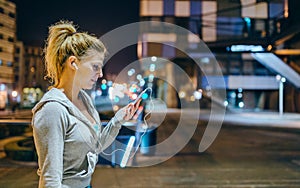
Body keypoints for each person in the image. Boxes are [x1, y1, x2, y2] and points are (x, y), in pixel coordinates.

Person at [31, 20, 140, 188]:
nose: (100, 73)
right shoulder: (52, 110)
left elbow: (95, 147)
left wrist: (118, 120)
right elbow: (50, 181)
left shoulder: (85, 100)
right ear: (73, 63)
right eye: (95, 66)